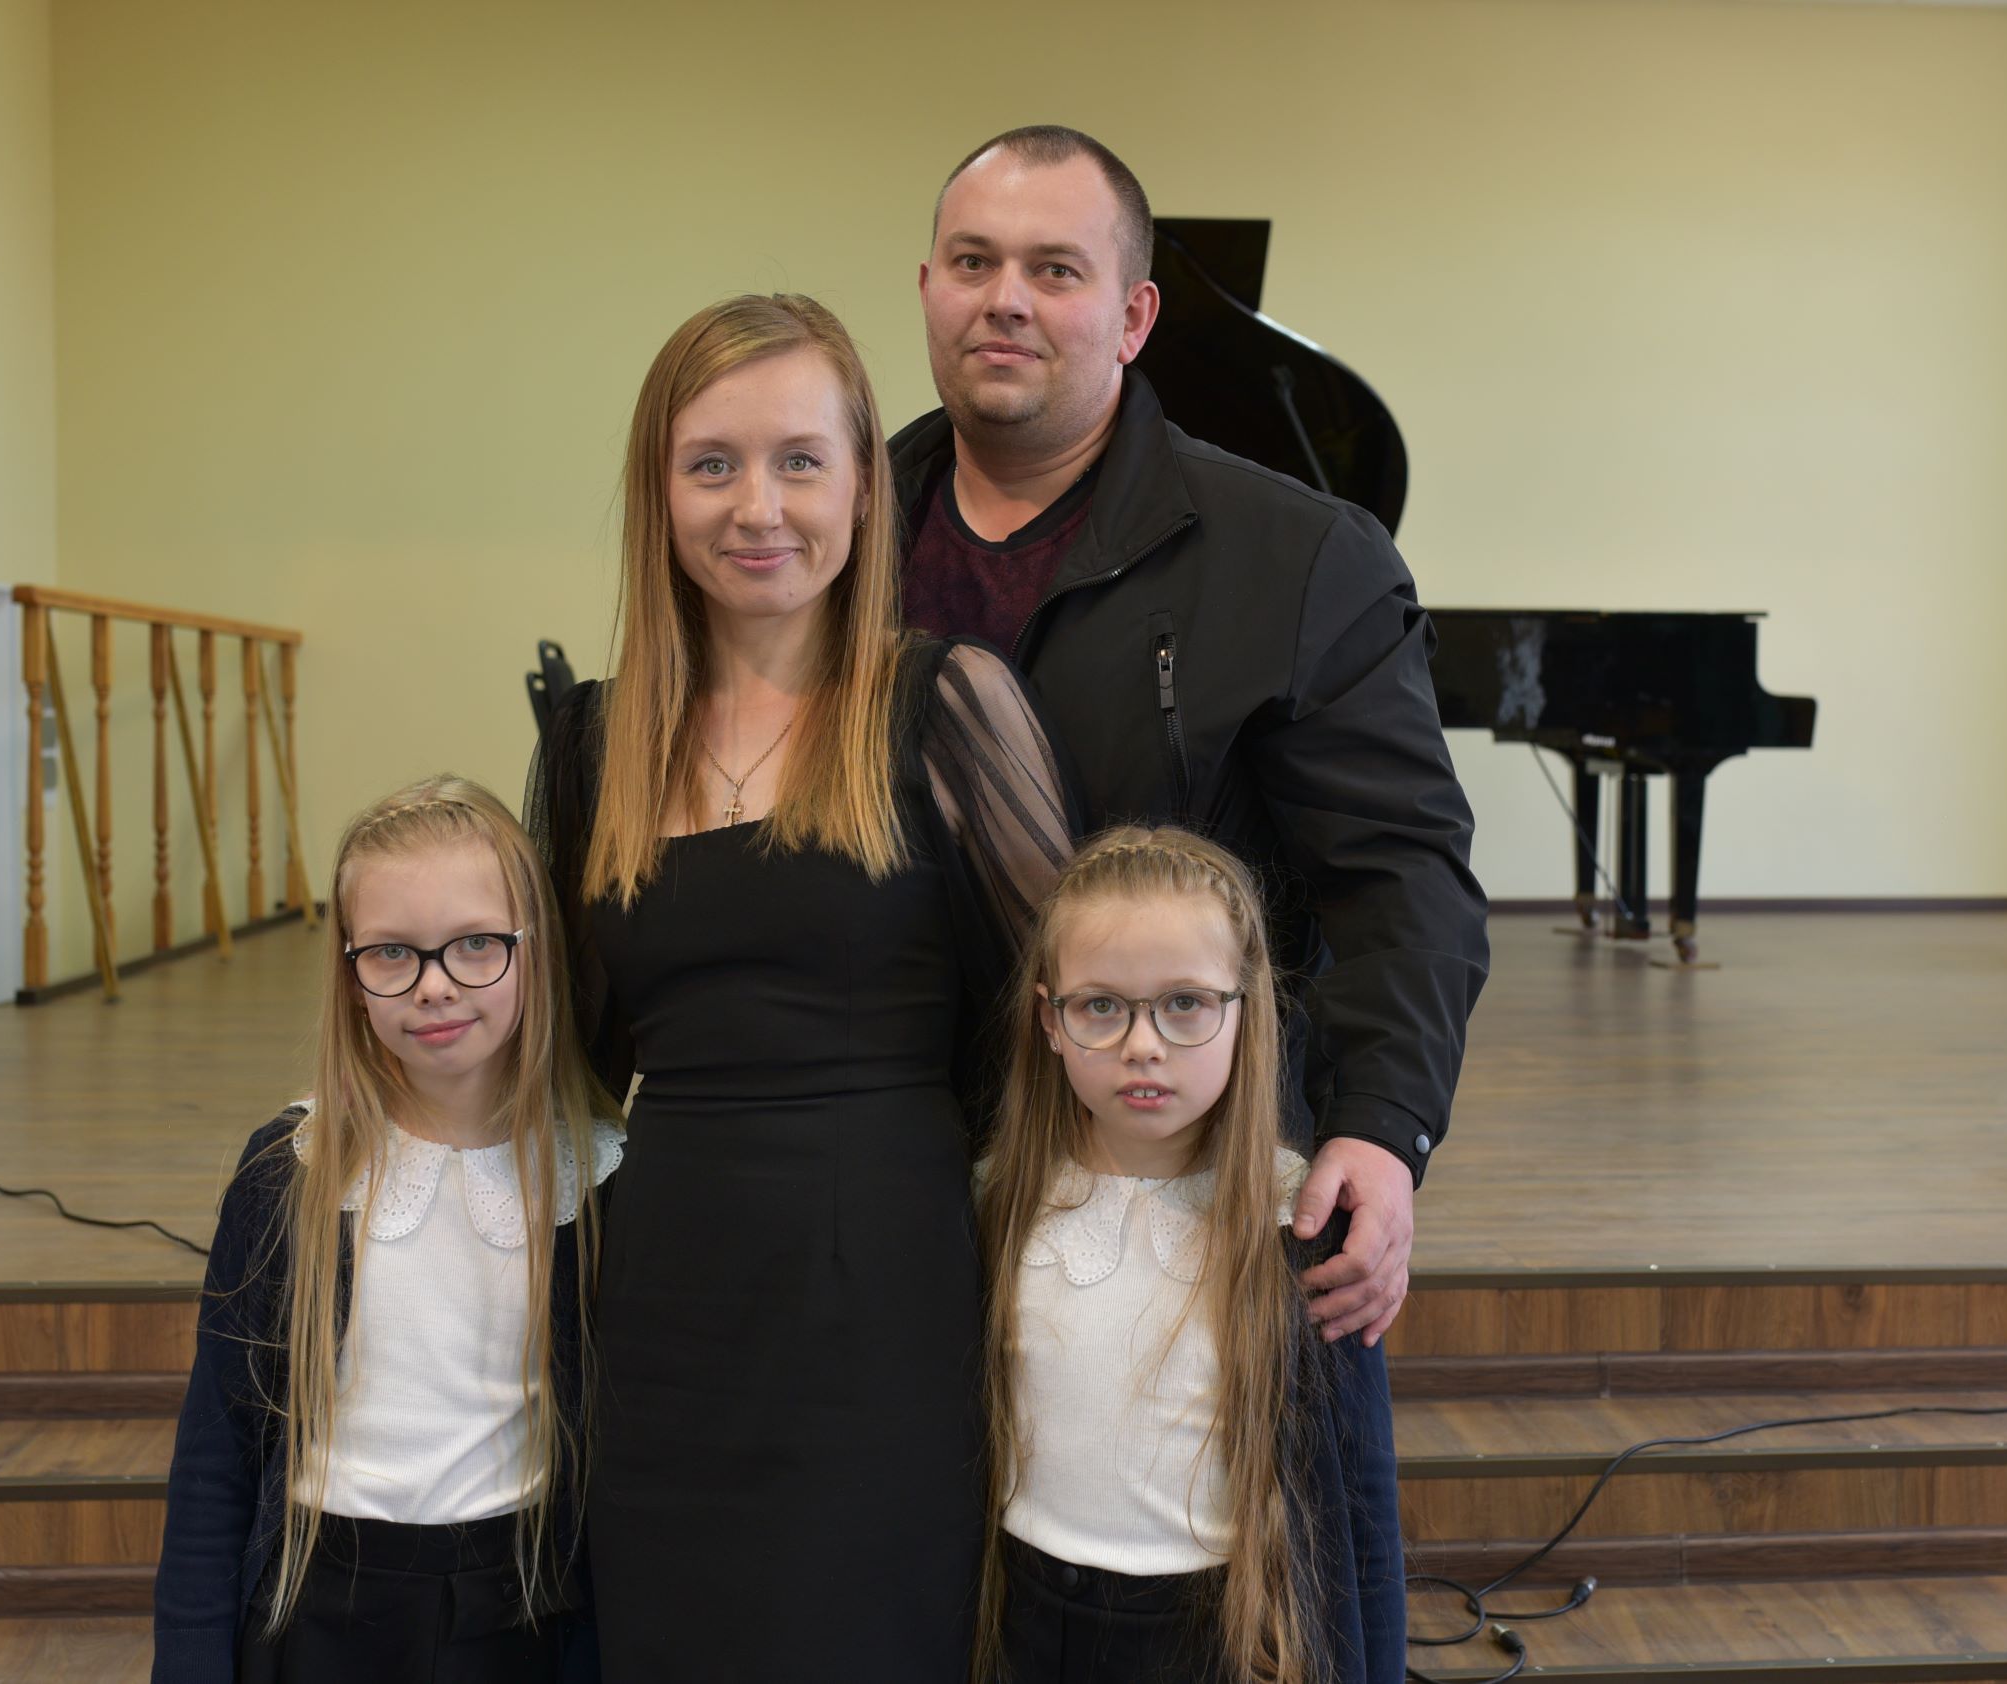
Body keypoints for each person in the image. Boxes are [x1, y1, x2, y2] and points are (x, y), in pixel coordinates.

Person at [531, 293, 1072, 1681]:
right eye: (711, 464)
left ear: (864, 488)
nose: (757, 507)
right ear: (658, 492)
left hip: (884, 1292)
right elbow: (568, 1052)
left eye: (800, 461)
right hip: (666, 1305)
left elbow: (1058, 1014)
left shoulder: (947, 704)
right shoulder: (592, 742)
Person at [893, 124, 1488, 1353]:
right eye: (973, 261)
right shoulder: (838, 534)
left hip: (1193, 1182)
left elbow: (1402, 878)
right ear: (928, 287)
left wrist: (1384, 1125)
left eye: (1056, 269)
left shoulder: (1301, 560)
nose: (1006, 299)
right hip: (901, 1163)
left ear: (1134, 316)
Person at [154, 775, 622, 1684]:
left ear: (536, 950)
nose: (434, 986)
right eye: (393, 954)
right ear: (350, 972)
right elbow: (217, 1455)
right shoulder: (289, 1171)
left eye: (477, 944)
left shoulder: (599, 1178)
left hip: (518, 1614)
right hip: (317, 1616)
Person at [978, 826, 1402, 1684]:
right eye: (1101, 1006)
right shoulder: (996, 1202)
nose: (1143, 1044)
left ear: (1245, 1011)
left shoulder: (1299, 1224)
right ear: (1050, 1021)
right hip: (1029, 1626)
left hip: (1220, 1635)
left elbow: (1359, 1506)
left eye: (1184, 1003)